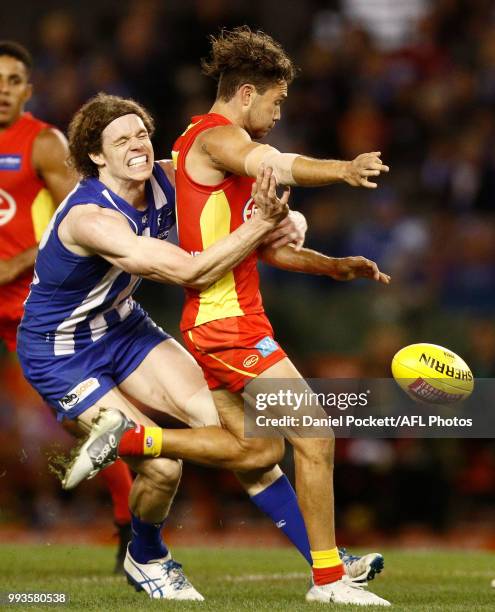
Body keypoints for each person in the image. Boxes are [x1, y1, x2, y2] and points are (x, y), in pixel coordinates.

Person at [60, 27, 392, 603]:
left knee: (257, 450)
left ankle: (133, 442)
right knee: (314, 432)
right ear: (245, 92)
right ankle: (330, 580)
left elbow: (262, 243)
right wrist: (342, 169)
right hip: (227, 323)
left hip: (223, 320)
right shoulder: (217, 139)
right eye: (276, 100)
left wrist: (333, 266)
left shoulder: (203, 146)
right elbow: (277, 161)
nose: (278, 111)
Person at [16, 92, 300, 601]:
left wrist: (290, 220)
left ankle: (325, 563)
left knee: (242, 436)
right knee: (164, 468)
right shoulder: (90, 217)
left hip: (124, 328)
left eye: (142, 133)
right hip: (59, 352)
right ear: (97, 157)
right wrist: (260, 226)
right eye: (121, 139)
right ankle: (146, 555)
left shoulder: (169, 176)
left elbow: (245, 188)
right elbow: (191, 269)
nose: (138, 144)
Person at [0, 41, 133, 571]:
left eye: (13, 80)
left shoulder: (43, 144)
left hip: (27, 305)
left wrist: (15, 263)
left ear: (28, 90)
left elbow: (82, 218)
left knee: (82, 418)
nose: (2, 89)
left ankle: (129, 521)